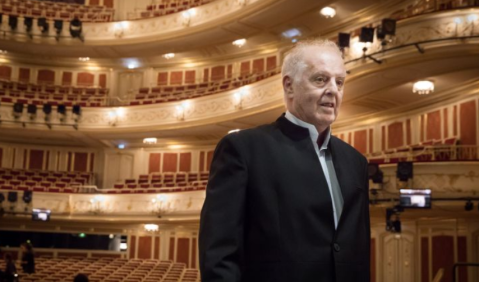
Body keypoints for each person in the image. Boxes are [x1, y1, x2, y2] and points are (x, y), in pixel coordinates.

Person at [199, 39, 370, 282]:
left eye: (339, 82)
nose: (333, 90)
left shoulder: (356, 161)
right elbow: (219, 254)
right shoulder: (244, 149)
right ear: (289, 86)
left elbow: (358, 253)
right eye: (320, 79)